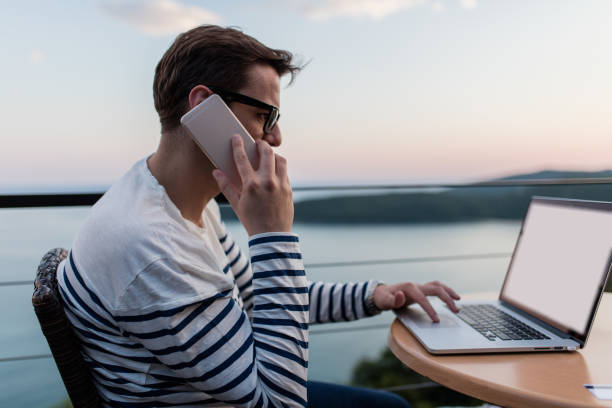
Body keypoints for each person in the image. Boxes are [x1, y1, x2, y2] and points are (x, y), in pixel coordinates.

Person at [57, 25, 461, 408]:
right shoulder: (148, 245)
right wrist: (273, 236)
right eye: (265, 116)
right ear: (203, 107)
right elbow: (279, 400)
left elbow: (255, 298)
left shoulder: (181, 202)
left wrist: (373, 295)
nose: (276, 136)